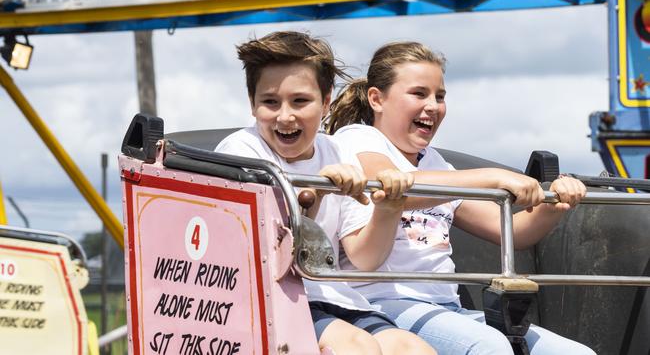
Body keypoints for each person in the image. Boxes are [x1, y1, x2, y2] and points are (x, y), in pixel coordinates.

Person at [327, 41, 595, 355]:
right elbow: (388, 188)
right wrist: (492, 176)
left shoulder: (438, 165)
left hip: (446, 308)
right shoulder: (359, 139)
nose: (433, 106)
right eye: (419, 94)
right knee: (488, 347)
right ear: (377, 99)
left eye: (439, 96)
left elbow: (514, 232)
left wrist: (557, 203)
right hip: (380, 305)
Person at [215, 32, 437, 355]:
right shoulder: (242, 152)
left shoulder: (336, 151)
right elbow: (269, 254)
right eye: (270, 102)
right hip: (273, 298)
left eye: (300, 101)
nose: (285, 116)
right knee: (358, 348)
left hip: (335, 298)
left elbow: (365, 258)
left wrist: (388, 209)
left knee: (416, 351)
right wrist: (314, 196)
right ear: (252, 104)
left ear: (326, 100)